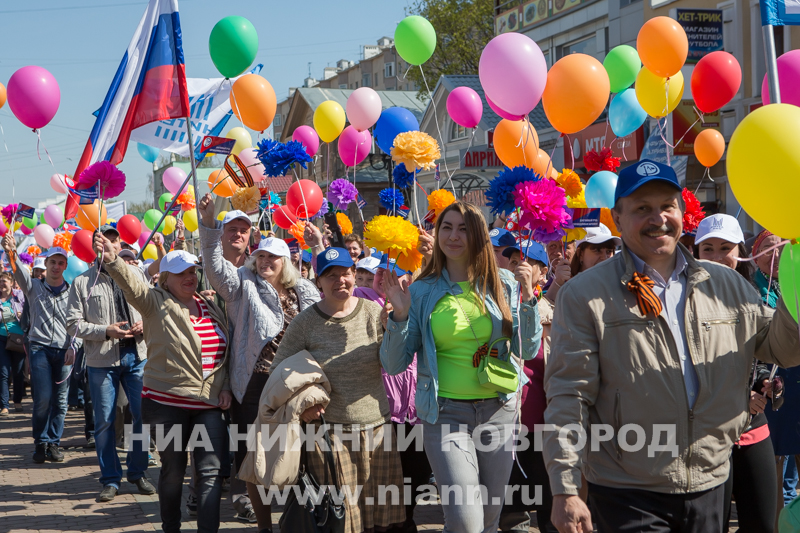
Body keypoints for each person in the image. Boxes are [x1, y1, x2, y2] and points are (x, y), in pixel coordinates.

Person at [543, 159, 800, 533]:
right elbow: (569, 395)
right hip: (626, 490)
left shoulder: (725, 284)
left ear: (681, 211)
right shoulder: (584, 295)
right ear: (617, 216)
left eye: (667, 205)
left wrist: (794, 295)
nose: (658, 218)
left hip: (710, 482)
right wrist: (565, 489)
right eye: (642, 208)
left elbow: (782, 349)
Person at [381, 201, 542, 533]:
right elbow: (394, 364)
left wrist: (528, 301)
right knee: (466, 522)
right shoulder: (421, 291)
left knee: (488, 522)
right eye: (446, 227)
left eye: (464, 228)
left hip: (499, 411)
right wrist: (398, 317)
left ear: (479, 235)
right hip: (445, 415)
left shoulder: (506, 283)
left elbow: (527, 348)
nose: (453, 236)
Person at [92, 233, 232, 533]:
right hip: (166, 403)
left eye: (192, 271)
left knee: (210, 472)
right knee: (173, 471)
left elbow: (224, 351)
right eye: (181, 273)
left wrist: (227, 386)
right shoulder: (154, 301)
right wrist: (114, 260)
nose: (189, 277)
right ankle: (171, 527)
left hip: (209, 403)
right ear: (165, 278)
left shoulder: (209, 305)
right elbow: (133, 285)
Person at [198, 192, 320, 533]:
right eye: (261, 254)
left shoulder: (304, 290)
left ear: (286, 262)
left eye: (274, 256)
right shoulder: (242, 285)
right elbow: (214, 265)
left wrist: (319, 244)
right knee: (254, 459)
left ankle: (297, 520)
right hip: (253, 384)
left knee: (299, 454)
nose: (266, 260)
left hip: (295, 384)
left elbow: (330, 294)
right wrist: (208, 225)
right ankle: (265, 526)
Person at [269, 246, 407, 533]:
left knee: (380, 522)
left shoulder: (374, 312)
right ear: (317, 281)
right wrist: (302, 404)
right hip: (328, 435)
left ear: (355, 275)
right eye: (330, 275)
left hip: (377, 431)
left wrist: (394, 326)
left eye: (345, 273)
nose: (340, 281)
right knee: (342, 521)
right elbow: (278, 372)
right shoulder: (305, 323)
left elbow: (394, 366)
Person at [694, 214, 777, 532]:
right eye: (708, 249)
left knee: (761, 525)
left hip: (752, 429)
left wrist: (764, 385)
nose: (716, 256)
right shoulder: (681, 301)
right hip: (705, 435)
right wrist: (743, 396)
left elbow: (769, 350)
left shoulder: (753, 297)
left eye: (725, 247)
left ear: (740, 251)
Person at [66, 224, 155, 503]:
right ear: (95, 246)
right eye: (102, 240)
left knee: (142, 418)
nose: (108, 244)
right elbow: (72, 324)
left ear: (119, 245)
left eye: (113, 239)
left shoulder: (136, 275)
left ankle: (138, 472)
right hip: (101, 360)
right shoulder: (82, 282)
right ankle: (110, 479)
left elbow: (153, 306)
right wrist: (106, 330)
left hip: (137, 357)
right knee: (104, 422)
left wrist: (144, 324)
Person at [498, 240, 558, 533]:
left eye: (524, 262)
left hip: (547, 429)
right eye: (511, 262)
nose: (516, 267)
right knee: (512, 514)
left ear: (542, 273)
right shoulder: (494, 311)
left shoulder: (556, 314)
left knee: (552, 510)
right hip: (505, 427)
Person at [3, 236, 79, 464]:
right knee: (43, 398)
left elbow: (78, 324)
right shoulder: (33, 286)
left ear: (65, 266)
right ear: (45, 265)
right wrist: (10, 252)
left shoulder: (73, 292)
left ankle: (54, 443)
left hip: (64, 351)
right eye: (52, 262)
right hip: (39, 349)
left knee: (61, 401)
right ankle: (40, 442)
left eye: (60, 263)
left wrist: (73, 346)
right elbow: (18, 273)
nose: (56, 267)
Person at [0, 271, 25, 416]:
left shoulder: (19, 296)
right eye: (0, 281)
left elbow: (28, 312)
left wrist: (22, 316)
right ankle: (4, 405)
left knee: (18, 372)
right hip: (1, 338)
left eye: (5, 281)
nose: (2, 284)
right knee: (3, 373)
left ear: (11, 282)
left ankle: (17, 400)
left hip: (17, 338)